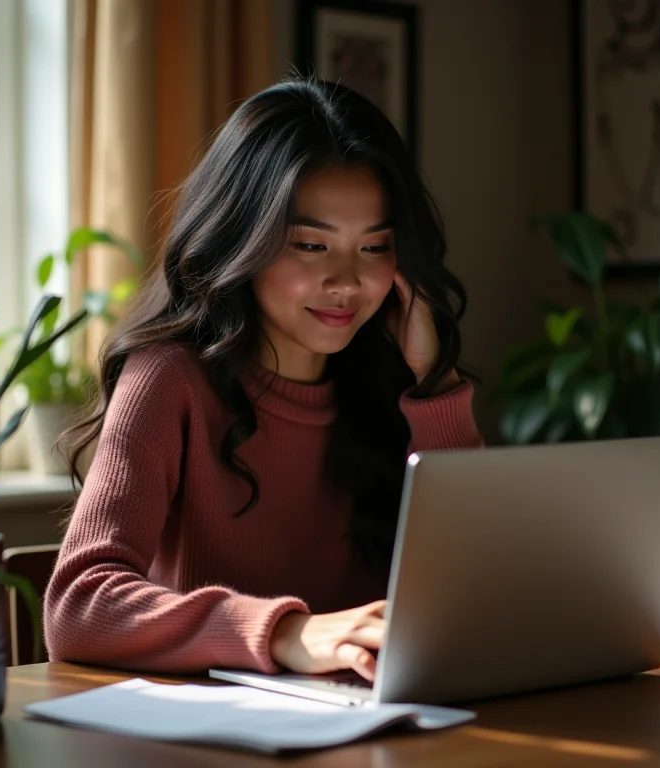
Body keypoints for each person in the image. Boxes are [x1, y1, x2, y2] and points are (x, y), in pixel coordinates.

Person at [44, 77, 483, 683]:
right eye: (310, 244)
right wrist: (287, 633)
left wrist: (435, 385)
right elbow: (78, 608)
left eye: (375, 247)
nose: (347, 281)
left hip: (380, 727)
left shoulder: (394, 380)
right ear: (241, 239)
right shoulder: (168, 378)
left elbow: (473, 588)